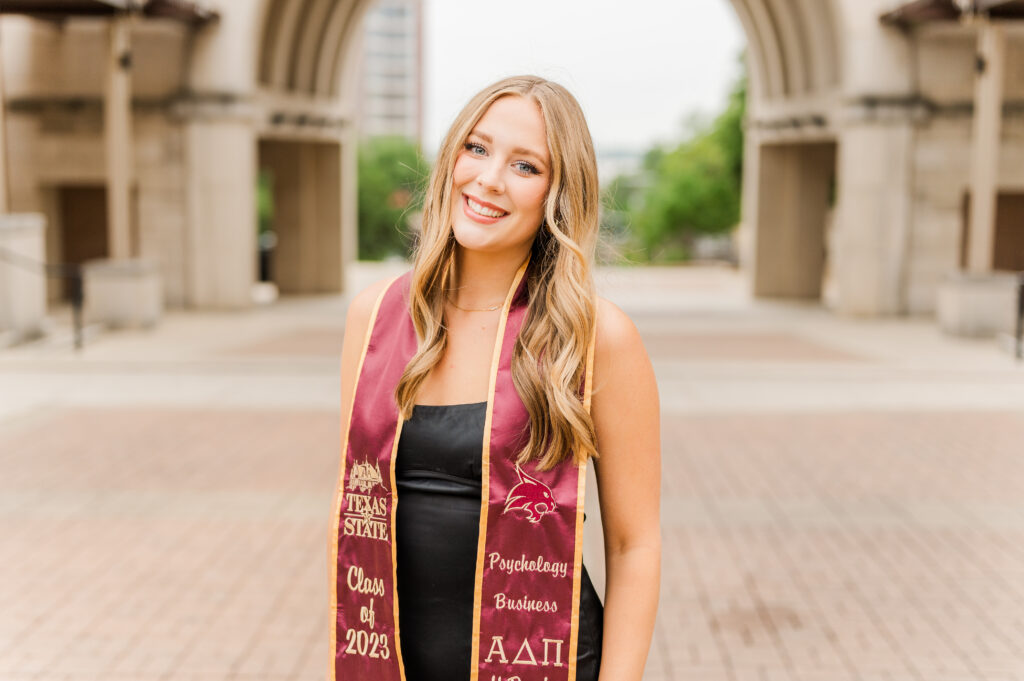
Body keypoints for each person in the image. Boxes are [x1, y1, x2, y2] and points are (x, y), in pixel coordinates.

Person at [331, 75, 660, 681]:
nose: (488, 179)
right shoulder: (374, 319)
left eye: (525, 166)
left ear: (557, 195)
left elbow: (633, 547)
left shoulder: (595, 338)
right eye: (476, 148)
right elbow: (357, 517)